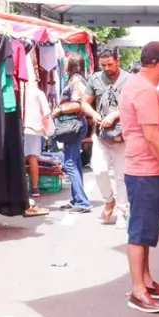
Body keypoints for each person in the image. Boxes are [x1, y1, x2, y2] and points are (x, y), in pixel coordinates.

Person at [117, 42, 159, 314]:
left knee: (145, 231)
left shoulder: (138, 85)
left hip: (144, 168)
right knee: (140, 231)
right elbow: (152, 137)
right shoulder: (144, 90)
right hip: (147, 169)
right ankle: (138, 290)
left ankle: (145, 281)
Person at [85, 47, 130, 225]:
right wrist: (92, 113)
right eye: (103, 65)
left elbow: (134, 105)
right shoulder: (95, 79)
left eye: (110, 64)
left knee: (121, 176)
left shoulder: (130, 80)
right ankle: (109, 199)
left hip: (123, 136)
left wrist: (116, 114)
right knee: (99, 170)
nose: (107, 68)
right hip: (101, 135)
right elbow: (85, 102)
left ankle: (122, 211)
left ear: (118, 61)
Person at [53, 54, 98, 213]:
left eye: (66, 62)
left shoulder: (77, 81)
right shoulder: (76, 79)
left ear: (72, 64)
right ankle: (76, 199)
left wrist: (59, 109)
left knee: (69, 164)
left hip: (74, 125)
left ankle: (83, 202)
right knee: (75, 163)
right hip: (73, 125)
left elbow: (80, 104)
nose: (63, 65)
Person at [22, 76, 55, 203]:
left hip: (21, 126)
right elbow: (46, 113)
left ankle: (21, 187)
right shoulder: (38, 92)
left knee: (21, 156)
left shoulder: (21, 91)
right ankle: (35, 188)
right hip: (34, 128)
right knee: (32, 157)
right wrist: (48, 130)